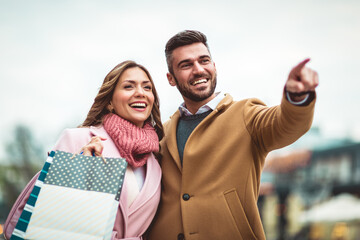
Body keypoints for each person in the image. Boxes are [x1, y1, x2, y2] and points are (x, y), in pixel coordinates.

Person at [145, 30, 318, 240]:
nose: (198, 70)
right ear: (171, 78)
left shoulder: (246, 114)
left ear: (214, 66)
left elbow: (286, 124)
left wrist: (297, 97)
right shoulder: (162, 133)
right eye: (186, 65)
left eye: (204, 60)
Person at [4, 60, 164, 240]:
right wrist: (79, 165)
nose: (140, 93)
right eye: (129, 87)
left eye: (147, 87)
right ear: (110, 101)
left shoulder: (155, 159)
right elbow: (46, 213)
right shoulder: (78, 139)